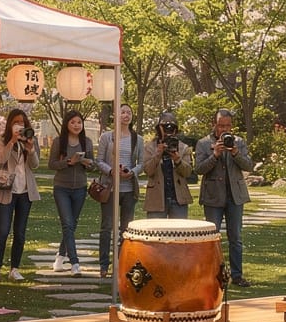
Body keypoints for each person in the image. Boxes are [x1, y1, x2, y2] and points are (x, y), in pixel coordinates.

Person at [195, 109, 254, 288]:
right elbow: (199, 169)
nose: (225, 129)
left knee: (235, 237)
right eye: (221, 125)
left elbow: (248, 166)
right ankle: (211, 275)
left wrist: (235, 152)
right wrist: (215, 155)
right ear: (214, 125)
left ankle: (237, 276)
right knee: (211, 237)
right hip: (213, 196)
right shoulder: (204, 143)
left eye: (228, 126)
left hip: (235, 196)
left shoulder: (239, 142)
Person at [47, 109, 105, 276]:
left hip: (80, 188)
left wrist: (88, 163)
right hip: (61, 188)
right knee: (67, 223)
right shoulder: (59, 142)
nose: (76, 125)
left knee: (71, 225)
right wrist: (68, 162)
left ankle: (60, 256)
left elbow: (93, 166)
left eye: (79, 122)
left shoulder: (86, 142)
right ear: (67, 124)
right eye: (73, 122)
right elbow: (51, 164)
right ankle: (75, 263)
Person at [0, 108, 39, 283]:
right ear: (10, 124)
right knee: (3, 230)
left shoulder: (30, 140)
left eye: (22, 123)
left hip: (25, 192)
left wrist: (31, 149)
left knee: (20, 233)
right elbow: (1, 159)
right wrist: (12, 141)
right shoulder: (2, 140)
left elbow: (35, 165)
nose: (19, 125)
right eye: (16, 122)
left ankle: (14, 269)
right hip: (6, 191)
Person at [99, 104, 142, 279]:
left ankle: (121, 263)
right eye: (122, 112)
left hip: (129, 189)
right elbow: (99, 160)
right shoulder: (107, 137)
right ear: (115, 115)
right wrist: (111, 171)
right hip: (110, 188)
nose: (126, 115)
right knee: (107, 227)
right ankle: (104, 265)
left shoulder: (137, 139)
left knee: (126, 228)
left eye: (129, 112)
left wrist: (132, 172)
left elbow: (141, 163)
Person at [142, 110, 193, 218]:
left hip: (178, 198)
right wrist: (158, 154)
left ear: (175, 130)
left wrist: (178, 160)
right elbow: (148, 171)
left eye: (171, 128)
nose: (168, 131)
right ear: (159, 129)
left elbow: (188, 172)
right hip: (156, 198)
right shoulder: (150, 147)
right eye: (165, 128)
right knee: (156, 228)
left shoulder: (183, 148)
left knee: (179, 229)